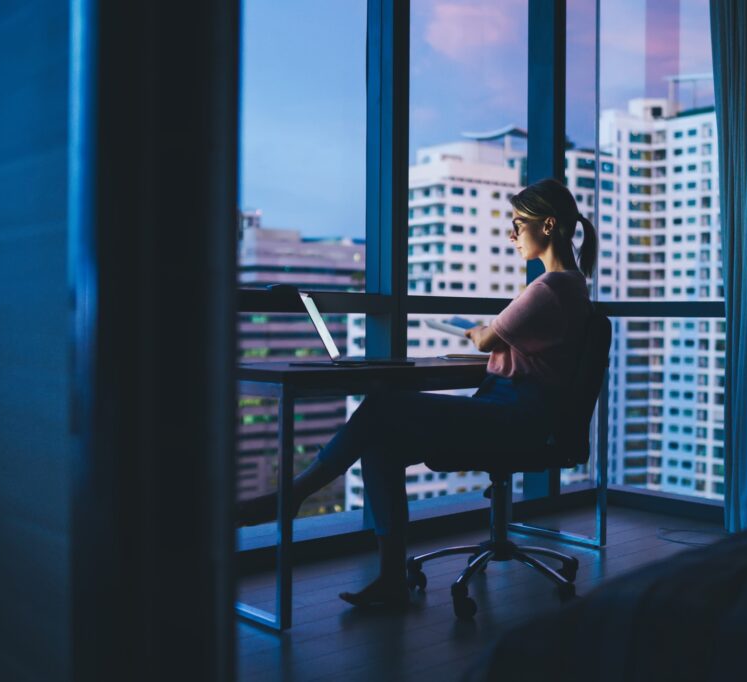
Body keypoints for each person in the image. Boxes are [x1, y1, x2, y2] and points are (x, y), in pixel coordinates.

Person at [236, 177, 599, 608]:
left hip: (518, 415)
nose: (512, 233)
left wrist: (484, 334)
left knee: (382, 407)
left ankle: (294, 495)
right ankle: (390, 579)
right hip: (525, 412)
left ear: (548, 225)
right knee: (382, 441)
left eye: (518, 223)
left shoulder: (548, 289)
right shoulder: (573, 289)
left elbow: (485, 339)